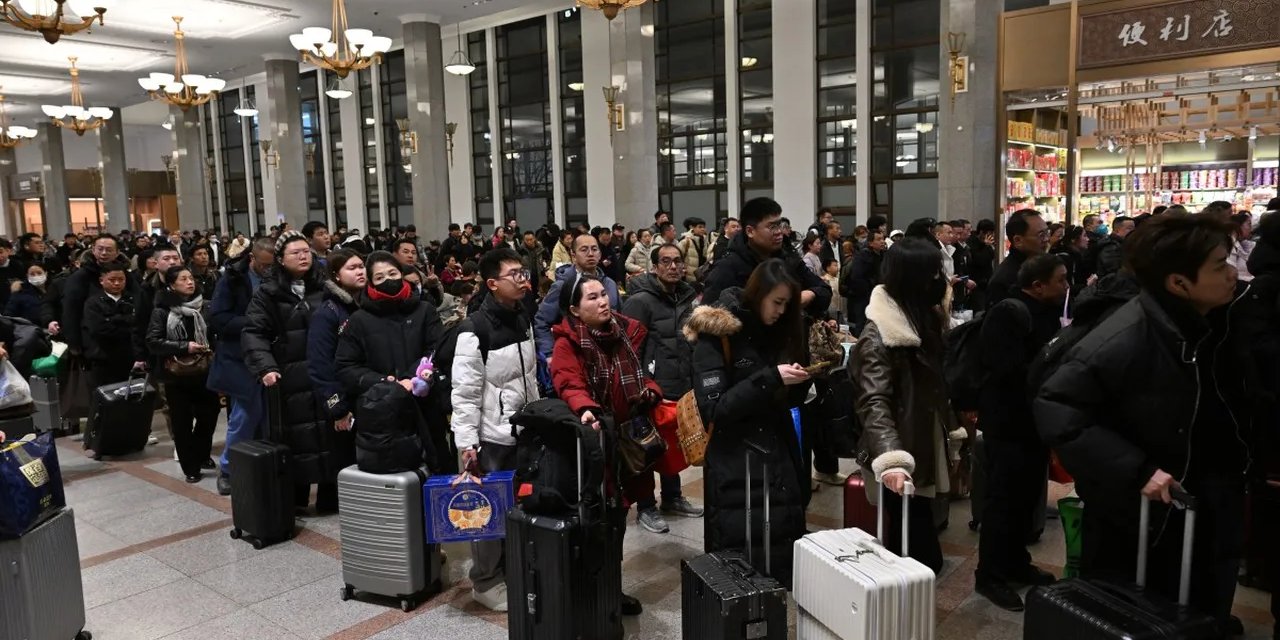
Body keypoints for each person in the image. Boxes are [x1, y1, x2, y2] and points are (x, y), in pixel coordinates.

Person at [1035, 214, 1250, 635]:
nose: (1233, 274)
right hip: (1146, 519)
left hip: (1204, 496)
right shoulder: (1127, 334)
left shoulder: (1214, 321)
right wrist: (1137, 469)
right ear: (1178, 282)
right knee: (1143, 614)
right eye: (1220, 265)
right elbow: (1056, 406)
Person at [685, 259, 812, 588]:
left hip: (778, 459)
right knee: (736, 571)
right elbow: (717, 409)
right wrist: (772, 378)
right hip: (734, 465)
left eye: (788, 304)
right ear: (759, 295)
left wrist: (801, 382)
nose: (782, 311)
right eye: (778, 302)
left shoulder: (779, 331)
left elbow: (785, 401)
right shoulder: (717, 333)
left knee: (779, 564)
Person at [551, 274, 658, 614]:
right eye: (592, 298)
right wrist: (585, 407)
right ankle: (587, 592)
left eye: (604, 295)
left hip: (628, 439)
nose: (603, 302)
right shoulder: (568, 342)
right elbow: (567, 381)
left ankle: (611, 588)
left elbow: (641, 373)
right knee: (595, 519)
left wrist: (651, 390)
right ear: (575, 309)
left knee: (618, 515)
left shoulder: (625, 332)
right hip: (596, 443)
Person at [851, 238, 953, 574]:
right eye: (934, 274)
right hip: (898, 447)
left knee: (916, 528)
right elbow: (873, 400)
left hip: (921, 435)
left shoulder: (923, 317)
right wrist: (893, 459)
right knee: (914, 545)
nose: (942, 280)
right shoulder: (879, 335)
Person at [973, 255, 1069, 610]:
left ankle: (1015, 562)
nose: (1066, 286)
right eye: (1060, 280)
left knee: (1026, 498)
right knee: (1003, 500)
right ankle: (990, 575)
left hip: (1033, 423)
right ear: (1037, 285)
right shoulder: (1008, 312)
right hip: (1008, 423)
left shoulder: (1043, 311)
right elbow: (1007, 371)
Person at [448, 248, 540, 613]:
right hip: (490, 436)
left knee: (517, 505)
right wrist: (467, 444)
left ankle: (510, 570)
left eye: (523, 272)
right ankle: (484, 581)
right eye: (513, 274)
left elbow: (528, 375)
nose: (522, 279)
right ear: (491, 284)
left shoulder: (522, 315)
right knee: (487, 513)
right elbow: (465, 394)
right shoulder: (474, 329)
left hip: (522, 429)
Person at [242, 231, 335, 512]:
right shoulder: (268, 294)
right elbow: (254, 333)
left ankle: (331, 498)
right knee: (297, 437)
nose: (303, 256)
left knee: (330, 433)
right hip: (289, 376)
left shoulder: (326, 287)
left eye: (306, 251)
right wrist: (266, 367)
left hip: (324, 374)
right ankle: (295, 499)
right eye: (295, 253)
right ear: (280, 260)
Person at [335, 251, 447, 472]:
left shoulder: (424, 310)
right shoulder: (359, 320)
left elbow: (438, 349)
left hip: (425, 403)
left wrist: (414, 376)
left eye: (392, 273)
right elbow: (346, 366)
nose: (388, 280)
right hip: (380, 412)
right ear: (370, 282)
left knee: (436, 465)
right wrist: (385, 382)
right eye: (379, 277)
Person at [621, 243, 704, 533]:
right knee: (648, 447)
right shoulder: (641, 301)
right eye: (665, 262)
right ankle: (645, 506)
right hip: (650, 387)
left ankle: (673, 497)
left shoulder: (686, 296)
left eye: (677, 261)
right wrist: (640, 383)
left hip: (680, 381)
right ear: (655, 267)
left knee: (674, 443)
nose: (672, 266)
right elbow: (629, 348)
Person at [208, 237, 275, 495]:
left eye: (273, 266)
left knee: (269, 416)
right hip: (239, 357)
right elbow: (218, 319)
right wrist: (254, 323)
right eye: (264, 265)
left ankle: (262, 464)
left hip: (270, 354)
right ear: (252, 259)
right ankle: (228, 469)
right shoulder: (232, 280)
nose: (268, 271)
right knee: (245, 416)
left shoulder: (278, 278)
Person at [146, 266, 219, 484]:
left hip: (205, 371)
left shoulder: (204, 306)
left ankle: (202, 453)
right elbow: (153, 341)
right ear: (171, 285)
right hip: (175, 375)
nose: (189, 282)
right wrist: (184, 346)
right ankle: (191, 465)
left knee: (210, 414)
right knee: (182, 421)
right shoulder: (162, 310)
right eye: (183, 279)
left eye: (191, 277)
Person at [703, 197, 832, 317]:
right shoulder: (728, 268)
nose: (779, 232)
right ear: (750, 231)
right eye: (772, 227)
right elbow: (707, 317)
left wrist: (810, 294)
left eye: (780, 225)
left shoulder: (788, 259)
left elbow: (824, 290)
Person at [306, 249, 365, 496]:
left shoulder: (364, 305)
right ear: (336, 276)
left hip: (363, 391)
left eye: (362, 266)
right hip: (342, 396)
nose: (360, 271)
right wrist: (337, 408)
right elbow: (320, 364)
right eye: (352, 268)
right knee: (343, 459)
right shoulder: (328, 312)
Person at [535, 233, 620, 366]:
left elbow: (619, 318)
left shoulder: (609, 284)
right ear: (573, 255)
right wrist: (549, 354)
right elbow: (542, 321)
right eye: (584, 250)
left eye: (594, 249)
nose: (590, 254)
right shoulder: (563, 286)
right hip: (574, 356)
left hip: (608, 356)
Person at [62, 235, 134, 357]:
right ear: (93, 250)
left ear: (117, 253)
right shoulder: (80, 277)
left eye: (109, 250)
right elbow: (71, 310)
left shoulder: (125, 274)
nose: (104, 253)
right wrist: (74, 342)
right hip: (92, 339)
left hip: (126, 340)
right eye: (100, 249)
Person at [81, 263, 141, 392]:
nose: (117, 283)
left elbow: (139, 324)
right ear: (102, 281)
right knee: (104, 397)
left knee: (130, 395)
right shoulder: (93, 302)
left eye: (121, 280)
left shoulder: (133, 299)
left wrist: (114, 320)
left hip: (129, 356)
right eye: (112, 280)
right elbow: (99, 329)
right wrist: (125, 323)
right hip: (103, 357)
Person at [987, 209, 1049, 308]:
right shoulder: (1004, 280)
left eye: (1047, 233)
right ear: (1018, 240)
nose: (1046, 239)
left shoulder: (1043, 266)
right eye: (1041, 235)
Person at [842, 229, 886, 334]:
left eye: (883, 238)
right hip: (863, 297)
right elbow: (857, 277)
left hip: (879, 296)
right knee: (861, 325)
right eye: (879, 239)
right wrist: (869, 289)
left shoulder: (884, 255)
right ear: (871, 242)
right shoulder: (862, 256)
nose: (882, 241)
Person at [1052, 224, 1095, 291]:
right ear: (1073, 239)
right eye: (1084, 236)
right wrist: (1087, 284)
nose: (1088, 239)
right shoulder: (1065, 258)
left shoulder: (1078, 256)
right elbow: (1067, 287)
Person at [678, 217, 710, 282]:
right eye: (700, 227)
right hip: (688, 278)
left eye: (704, 227)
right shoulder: (685, 241)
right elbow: (677, 257)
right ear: (691, 227)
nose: (703, 229)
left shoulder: (705, 241)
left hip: (702, 277)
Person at [1228, 212, 1255, 282]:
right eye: (1249, 224)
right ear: (1238, 226)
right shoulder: (1230, 245)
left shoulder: (1243, 243)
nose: (1251, 229)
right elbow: (1231, 274)